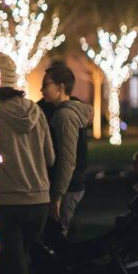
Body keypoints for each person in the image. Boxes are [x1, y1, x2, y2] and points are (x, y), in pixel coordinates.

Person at [0, 53, 55, 274]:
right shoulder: (34, 110)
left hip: (6, 202)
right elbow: (50, 158)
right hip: (39, 202)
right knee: (8, 271)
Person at [38, 62, 93, 235]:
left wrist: (57, 196)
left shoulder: (64, 116)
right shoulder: (65, 111)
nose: (42, 89)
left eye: (46, 85)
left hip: (68, 188)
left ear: (61, 87)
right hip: (71, 185)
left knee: (57, 237)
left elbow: (67, 159)